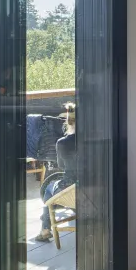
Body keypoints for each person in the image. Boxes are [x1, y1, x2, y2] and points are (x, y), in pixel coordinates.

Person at [35, 103, 77, 243]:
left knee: (48, 188)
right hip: (94, 188)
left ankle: (45, 229)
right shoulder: (95, 141)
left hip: (70, 189)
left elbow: (61, 165)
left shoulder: (62, 143)